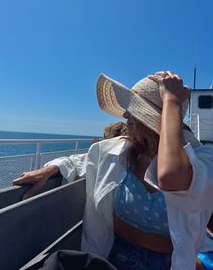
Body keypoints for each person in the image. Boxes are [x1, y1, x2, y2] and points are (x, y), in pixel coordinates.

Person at [13, 70, 213, 270]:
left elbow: (171, 177)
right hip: (112, 259)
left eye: (134, 109)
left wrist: (171, 100)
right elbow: (81, 161)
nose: (125, 114)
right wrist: (52, 169)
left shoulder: (204, 157)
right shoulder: (118, 150)